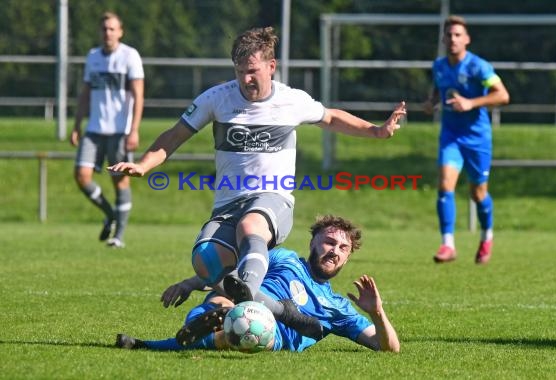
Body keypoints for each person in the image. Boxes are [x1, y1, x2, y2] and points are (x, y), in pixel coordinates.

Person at [108, 26, 405, 339]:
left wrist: (376, 131)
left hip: (272, 199)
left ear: (271, 66)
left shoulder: (291, 100)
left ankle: (247, 292)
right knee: (204, 260)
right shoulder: (218, 98)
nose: (245, 80)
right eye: (239, 72)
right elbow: (175, 135)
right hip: (227, 204)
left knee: (250, 227)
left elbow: (330, 117)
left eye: (252, 71)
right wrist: (144, 164)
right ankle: (278, 310)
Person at [116, 215, 400, 353]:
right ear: (313, 241)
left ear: (348, 256)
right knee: (223, 301)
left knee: (242, 320)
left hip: (271, 335)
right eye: (329, 241)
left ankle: (150, 345)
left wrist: (377, 312)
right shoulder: (284, 258)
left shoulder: (337, 306)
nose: (335, 250)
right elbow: (234, 273)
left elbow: (389, 348)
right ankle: (223, 318)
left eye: (343, 247)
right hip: (238, 300)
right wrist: (190, 283)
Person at [423, 15, 509, 264]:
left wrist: (471, 102)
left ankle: (486, 237)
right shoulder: (439, 66)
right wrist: (431, 103)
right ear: (443, 39)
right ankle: (448, 244)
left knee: (478, 193)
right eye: (449, 35)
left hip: (477, 139)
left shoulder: (478, 67)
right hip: (451, 136)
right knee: (444, 186)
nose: (453, 39)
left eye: (458, 35)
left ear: (467, 39)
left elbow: (502, 95)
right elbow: (438, 89)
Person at [70, 11, 144, 248]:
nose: (107, 33)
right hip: (94, 129)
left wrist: (134, 130)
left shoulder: (130, 56)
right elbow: (85, 93)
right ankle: (110, 213)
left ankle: (118, 236)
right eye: (104, 29)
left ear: (120, 32)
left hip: (119, 131)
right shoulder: (93, 56)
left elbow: (138, 95)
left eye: (112, 29)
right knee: (81, 176)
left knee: (119, 181)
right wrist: (76, 124)